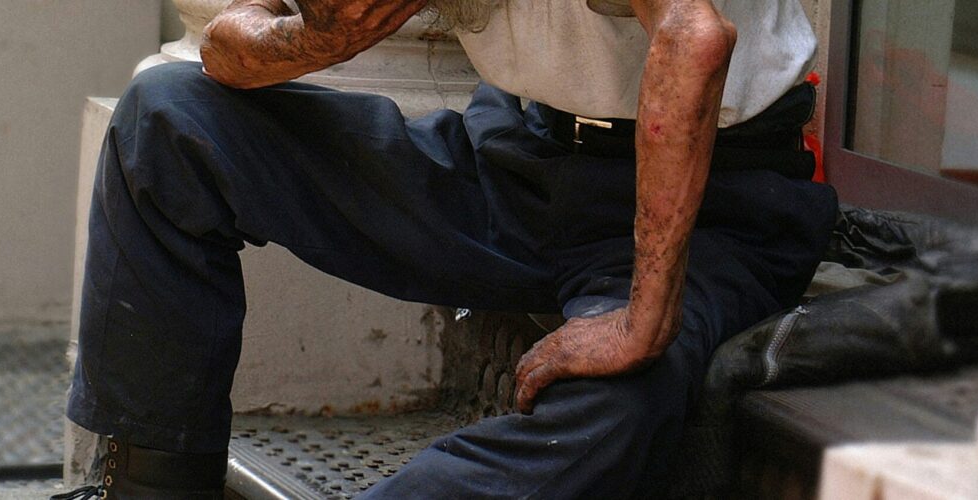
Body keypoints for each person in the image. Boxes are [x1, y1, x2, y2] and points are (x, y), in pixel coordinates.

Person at [62, 0, 836, 498]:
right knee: (169, 117)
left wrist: (641, 319)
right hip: (516, 159)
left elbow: (694, 39)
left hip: (706, 196)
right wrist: (318, 36)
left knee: (618, 411)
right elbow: (229, 45)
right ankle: (152, 492)